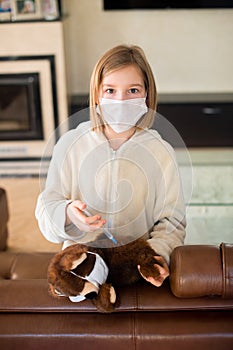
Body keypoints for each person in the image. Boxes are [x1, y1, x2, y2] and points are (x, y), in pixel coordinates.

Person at [35, 44, 186, 287]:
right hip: (83, 266)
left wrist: (154, 255)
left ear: (147, 94)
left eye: (133, 90)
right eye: (110, 90)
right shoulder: (70, 144)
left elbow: (172, 222)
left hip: (135, 268)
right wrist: (67, 214)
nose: (121, 100)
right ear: (97, 94)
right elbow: (47, 206)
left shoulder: (161, 152)